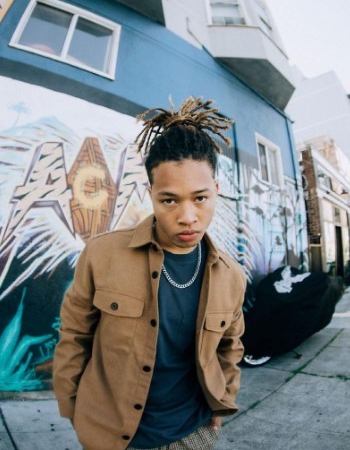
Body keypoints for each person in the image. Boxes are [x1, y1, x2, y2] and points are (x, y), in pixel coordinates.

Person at [53, 96, 247, 450]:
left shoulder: (232, 276)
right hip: (110, 435)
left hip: (195, 432)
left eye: (200, 198)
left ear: (217, 192)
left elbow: (230, 348)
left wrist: (222, 400)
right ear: (151, 194)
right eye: (170, 200)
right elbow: (74, 335)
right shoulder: (101, 254)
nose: (187, 216)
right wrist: (72, 407)